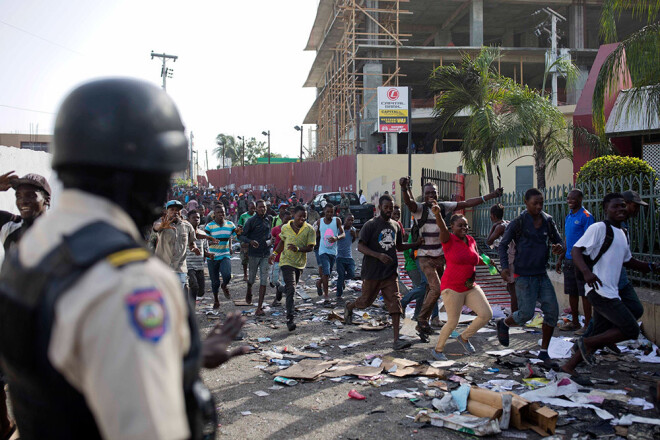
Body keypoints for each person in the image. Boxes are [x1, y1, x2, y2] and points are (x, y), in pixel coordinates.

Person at [0, 78, 248, 439]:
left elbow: (76, 368)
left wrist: (184, 359)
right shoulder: (133, 281)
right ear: (143, 176)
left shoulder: (31, 248)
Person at [560, 193, 659, 383]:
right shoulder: (599, 228)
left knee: (599, 333)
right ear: (606, 209)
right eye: (615, 207)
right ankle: (586, 342)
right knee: (630, 329)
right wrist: (587, 273)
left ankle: (569, 366)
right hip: (599, 291)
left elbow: (628, 261)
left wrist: (650, 267)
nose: (620, 210)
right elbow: (576, 250)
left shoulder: (623, 233)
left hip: (611, 290)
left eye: (622, 206)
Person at [400, 176, 503, 336]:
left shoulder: (443, 207)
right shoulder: (419, 208)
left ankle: (433, 320)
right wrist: (404, 188)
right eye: (427, 193)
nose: (431, 196)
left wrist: (491, 195)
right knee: (435, 288)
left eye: (433, 193)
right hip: (425, 257)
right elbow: (409, 202)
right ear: (423, 194)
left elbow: (467, 203)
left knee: (443, 289)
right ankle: (421, 320)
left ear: (438, 194)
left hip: (440, 257)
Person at [0, 171, 51, 439]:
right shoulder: (10, 227)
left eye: (31, 194)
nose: (23, 200)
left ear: (47, 200)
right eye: (19, 195)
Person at [496, 188, 564, 367]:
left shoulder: (548, 221)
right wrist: (504, 268)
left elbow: (559, 241)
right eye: (535, 203)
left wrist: (559, 247)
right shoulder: (518, 222)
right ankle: (504, 323)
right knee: (525, 314)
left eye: (541, 203)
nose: (539, 206)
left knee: (552, 312)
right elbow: (502, 246)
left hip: (541, 274)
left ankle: (544, 352)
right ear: (526, 203)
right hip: (523, 275)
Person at [343, 194, 420, 350]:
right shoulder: (370, 225)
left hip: (390, 272)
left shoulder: (396, 225)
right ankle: (350, 307)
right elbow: (361, 247)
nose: (389, 211)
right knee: (365, 302)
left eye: (391, 208)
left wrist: (414, 244)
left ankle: (396, 340)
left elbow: (398, 246)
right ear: (379, 208)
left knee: (395, 303)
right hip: (372, 272)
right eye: (386, 208)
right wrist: (378, 255)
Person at [428, 206, 493, 361]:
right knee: (452, 322)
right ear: (452, 227)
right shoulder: (448, 239)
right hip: (452, 288)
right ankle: (438, 350)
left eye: (466, 225)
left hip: (470, 286)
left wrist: (490, 264)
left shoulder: (470, 240)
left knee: (486, 315)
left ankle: (464, 337)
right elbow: (442, 227)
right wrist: (437, 214)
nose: (464, 228)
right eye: (460, 225)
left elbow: (476, 258)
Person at [269, 205, 316, 331]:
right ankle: (290, 318)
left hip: (299, 263)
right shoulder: (285, 228)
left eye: (304, 217)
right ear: (294, 215)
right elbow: (281, 242)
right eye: (300, 216)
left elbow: (311, 247)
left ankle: (280, 288)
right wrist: (274, 254)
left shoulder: (309, 229)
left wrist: (298, 249)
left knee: (290, 289)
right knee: (292, 288)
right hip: (286, 261)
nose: (302, 219)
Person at [555, 189, 594, 334]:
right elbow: (567, 239)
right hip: (569, 261)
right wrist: (561, 257)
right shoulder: (569, 217)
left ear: (580, 199)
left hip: (582, 261)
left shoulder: (586, 216)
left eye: (573, 199)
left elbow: (590, 239)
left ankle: (588, 325)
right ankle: (575, 322)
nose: (570, 201)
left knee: (584, 294)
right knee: (572, 292)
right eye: (568, 198)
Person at [153, 200, 201, 292]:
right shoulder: (162, 224)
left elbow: (191, 242)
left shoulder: (187, 226)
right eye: (172, 210)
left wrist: (194, 248)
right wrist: (162, 226)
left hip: (180, 269)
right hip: (163, 268)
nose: (175, 212)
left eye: (177, 210)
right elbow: (156, 226)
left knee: (178, 297)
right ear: (167, 211)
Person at [240, 200, 272, 315]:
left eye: (264, 207)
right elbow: (242, 236)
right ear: (256, 208)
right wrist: (250, 242)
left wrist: (270, 241)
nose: (262, 209)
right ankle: (249, 289)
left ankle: (259, 307)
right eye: (260, 207)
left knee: (264, 280)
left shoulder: (269, 219)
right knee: (252, 279)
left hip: (265, 254)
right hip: (254, 254)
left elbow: (270, 234)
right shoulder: (251, 221)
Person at [205, 204, 238, 308]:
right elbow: (204, 241)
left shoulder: (230, 225)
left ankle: (224, 286)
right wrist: (211, 243)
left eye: (222, 212)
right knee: (214, 282)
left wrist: (239, 234)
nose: (221, 214)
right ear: (214, 214)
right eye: (218, 212)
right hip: (212, 257)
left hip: (224, 255)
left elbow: (235, 236)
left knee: (227, 275)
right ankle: (216, 300)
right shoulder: (209, 226)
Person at [486, 204, 517, 312]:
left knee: (512, 288)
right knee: (510, 287)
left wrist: (493, 227)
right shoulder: (507, 223)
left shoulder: (499, 227)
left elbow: (489, 241)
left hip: (510, 259)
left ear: (493, 215)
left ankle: (515, 315)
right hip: (510, 257)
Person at [315, 204, 345, 304]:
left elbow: (343, 233)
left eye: (331, 212)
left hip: (333, 252)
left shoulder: (337, 220)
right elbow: (316, 234)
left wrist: (336, 238)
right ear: (324, 211)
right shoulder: (319, 222)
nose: (329, 214)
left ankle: (319, 283)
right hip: (323, 251)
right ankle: (326, 296)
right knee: (326, 273)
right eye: (327, 212)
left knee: (327, 274)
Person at [185, 210, 215, 304]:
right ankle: (190, 308)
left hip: (200, 265)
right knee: (194, 286)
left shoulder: (203, 234)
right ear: (188, 220)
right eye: (193, 218)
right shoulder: (185, 233)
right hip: (188, 265)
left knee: (201, 292)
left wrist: (209, 255)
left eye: (197, 218)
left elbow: (204, 250)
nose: (196, 220)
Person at [269, 209, 292, 306]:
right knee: (274, 280)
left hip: (287, 259)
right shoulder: (275, 229)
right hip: (277, 258)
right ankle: (279, 291)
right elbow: (271, 240)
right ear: (282, 219)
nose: (287, 223)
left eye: (289, 221)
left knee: (284, 281)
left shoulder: (292, 230)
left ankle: (278, 299)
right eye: (285, 221)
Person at [336, 214, 357, 300]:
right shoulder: (340, 229)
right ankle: (339, 294)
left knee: (351, 274)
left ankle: (342, 281)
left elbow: (352, 241)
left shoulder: (353, 230)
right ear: (345, 220)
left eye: (352, 220)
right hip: (339, 256)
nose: (350, 222)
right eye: (349, 220)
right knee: (341, 275)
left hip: (349, 256)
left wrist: (354, 235)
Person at [237, 202, 256, 281]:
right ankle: (245, 274)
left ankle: (252, 274)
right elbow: (239, 227)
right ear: (248, 207)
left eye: (254, 208)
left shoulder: (256, 216)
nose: (253, 210)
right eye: (251, 208)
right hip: (245, 239)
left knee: (253, 258)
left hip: (254, 239)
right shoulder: (243, 216)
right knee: (245, 258)